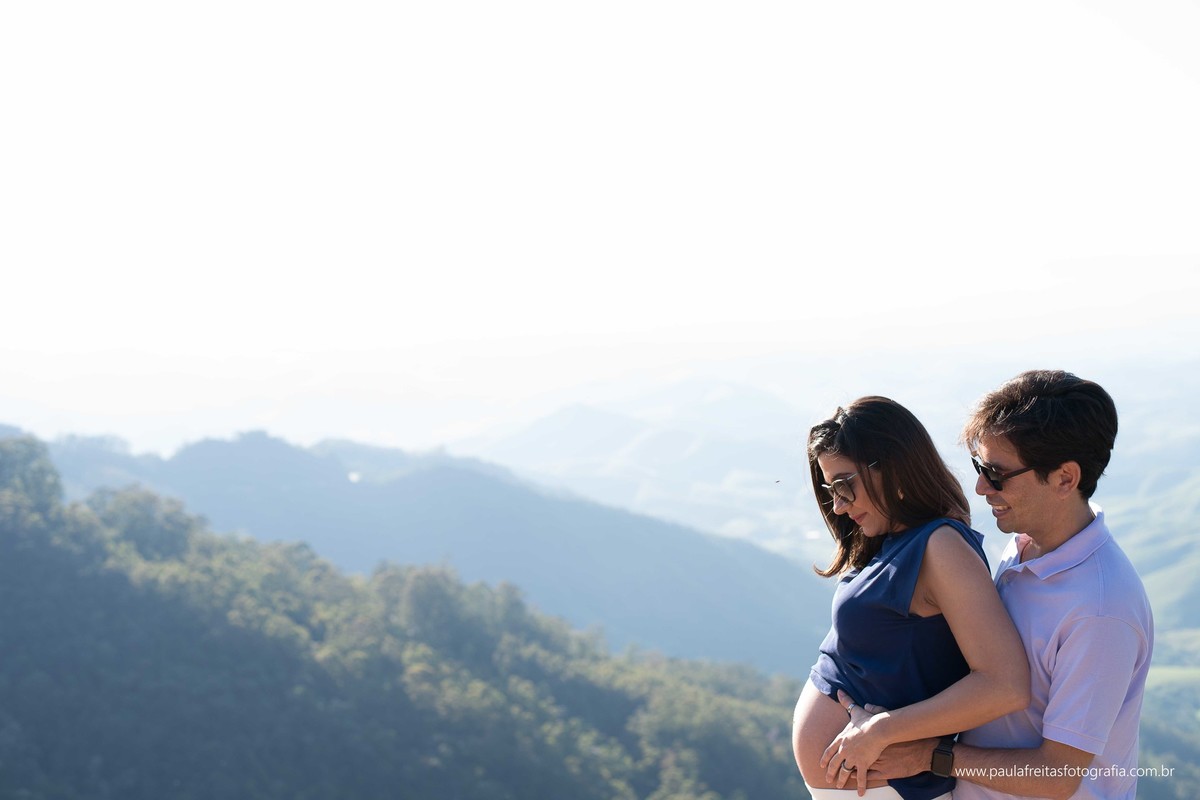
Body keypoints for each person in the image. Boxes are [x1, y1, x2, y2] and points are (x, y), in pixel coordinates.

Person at [849, 370, 1154, 799]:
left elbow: (1059, 776)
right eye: (979, 466)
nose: (980, 487)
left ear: (1065, 478)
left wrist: (929, 756)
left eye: (996, 473)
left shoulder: (1101, 610)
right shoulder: (1026, 547)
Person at [792, 396, 1030, 799]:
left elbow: (1005, 685)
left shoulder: (941, 547)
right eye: (830, 489)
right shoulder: (893, 540)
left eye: (844, 485)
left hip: (888, 788)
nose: (838, 505)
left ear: (891, 466)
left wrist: (881, 730)